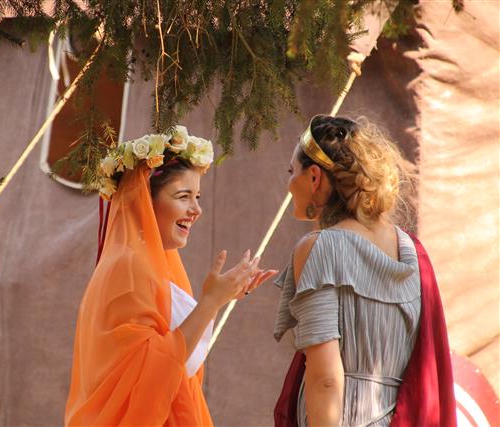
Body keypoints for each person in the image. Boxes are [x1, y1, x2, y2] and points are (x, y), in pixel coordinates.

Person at [65, 127, 276, 426]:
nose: (197, 209)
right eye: (183, 196)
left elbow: (178, 359)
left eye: (197, 196)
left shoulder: (152, 264)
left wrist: (221, 297)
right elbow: (149, 373)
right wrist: (210, 301)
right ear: (145, 201)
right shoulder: (129, 267)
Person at [272, 115, 456, 426]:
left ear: (314, 177)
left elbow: (326, 379)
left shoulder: (321, 247)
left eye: (292, 172)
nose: (289, 183)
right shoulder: (413, 251)